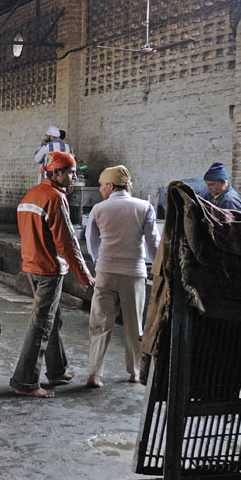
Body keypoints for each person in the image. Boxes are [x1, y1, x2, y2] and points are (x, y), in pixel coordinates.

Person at [10, 151, 95, 398]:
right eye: (69, 172)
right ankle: (25, 382)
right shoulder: (55, 198)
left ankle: (57, 370)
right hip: (48, 269)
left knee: (51, 319)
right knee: (41, 325)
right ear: (55, 173)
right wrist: (84, 274)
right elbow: (67, 242)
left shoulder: (32, 194)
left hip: (31, 265)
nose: (73, 176)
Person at [85, 165, 160, 388]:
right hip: (134, 273)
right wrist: (155, 268)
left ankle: (94, 374)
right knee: (134, 324)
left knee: (100, 323)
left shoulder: (99, 209)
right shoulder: (144, 207)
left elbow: (92, 241)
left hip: (106, 272)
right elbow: (153, 243)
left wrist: (101, 262)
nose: (100, 190)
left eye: (101, 185)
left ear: (110, 185)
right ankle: (135, 372)